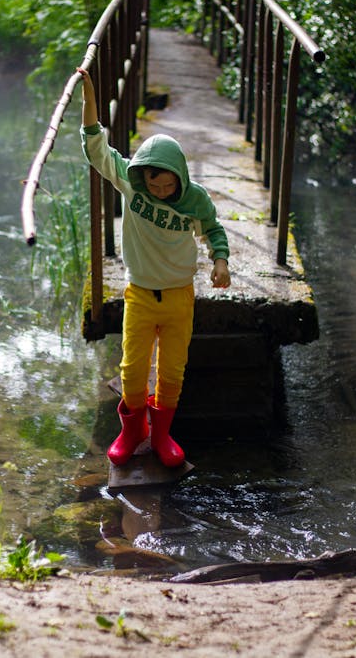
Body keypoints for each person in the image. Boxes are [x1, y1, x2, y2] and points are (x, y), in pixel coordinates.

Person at [79, 69, 231, 467]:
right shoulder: (133, 186)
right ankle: (133, 433)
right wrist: (89, 97)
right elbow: (97, 149)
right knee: (132, 370)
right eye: (155, 184)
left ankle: (162, 437)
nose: (161, 191)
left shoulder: (194, 201)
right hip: (140, 295)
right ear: (143, 175)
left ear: (180, 177)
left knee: (172, 373)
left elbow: (214, 229)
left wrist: (220, 260)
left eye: (168, 186)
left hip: (180, 297)